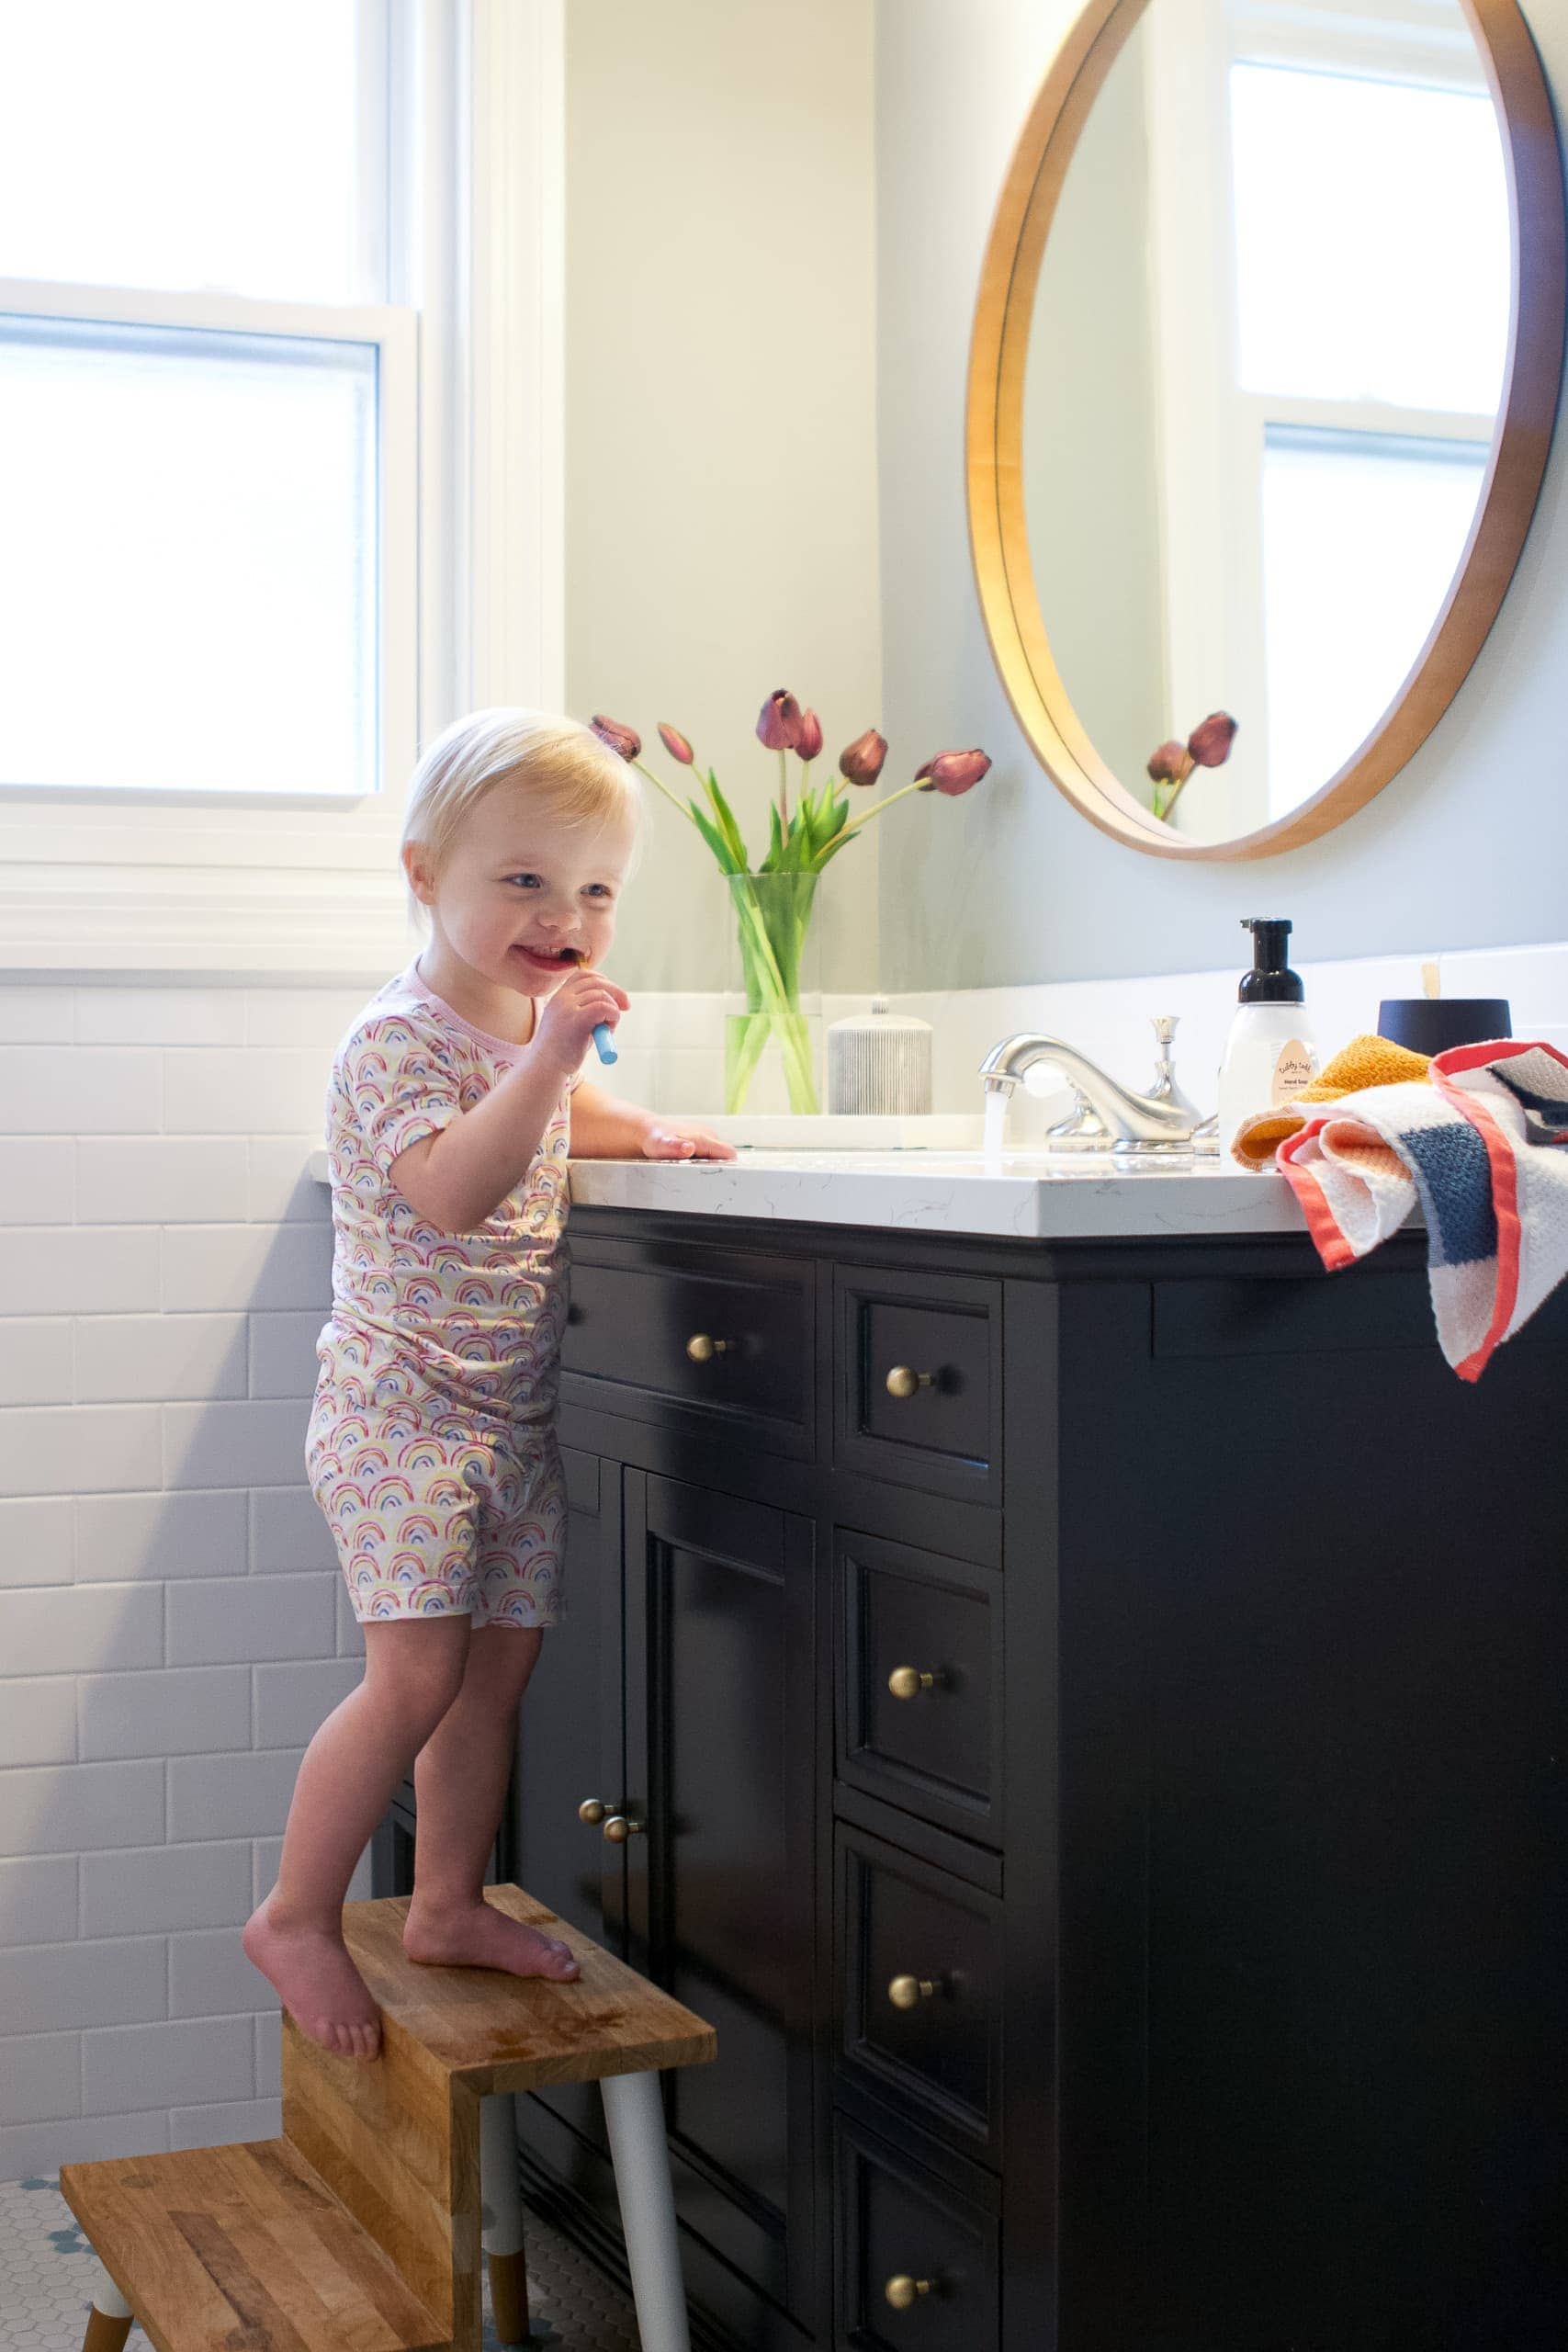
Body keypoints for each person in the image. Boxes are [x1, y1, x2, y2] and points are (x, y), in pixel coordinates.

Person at [242, 708, 735, 2060]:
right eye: (522, 879)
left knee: (491, 1682)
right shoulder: (394, 1042)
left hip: (507, 1414)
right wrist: (556, 1059)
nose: (560, 913)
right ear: (424, 874)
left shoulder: (521, 1029)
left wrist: (654, 1133)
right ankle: (294, 1913)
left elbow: (562, 1121)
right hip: (398, 1418)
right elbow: (456, 1189)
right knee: (409, 1682)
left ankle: (446, 1903)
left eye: (592, 890)